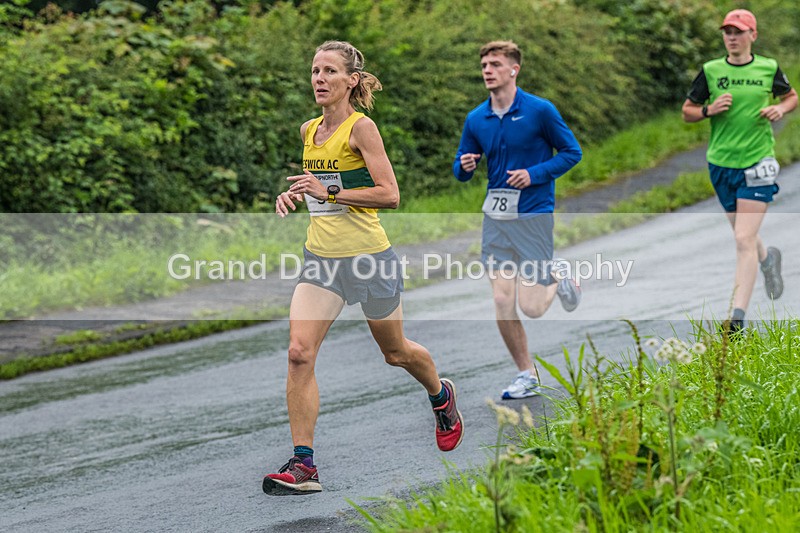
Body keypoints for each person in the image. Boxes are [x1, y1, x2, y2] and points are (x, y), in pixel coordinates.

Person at [263, 41, 464, 496]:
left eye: (329, 71)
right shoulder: (307, 130)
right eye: (315, 70)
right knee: (299, 352)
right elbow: (323, 189)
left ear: (351, 81)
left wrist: (328, 194)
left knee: (395, 353)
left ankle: (440, 395)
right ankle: (304, 465)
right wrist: (296, 195)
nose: (319, 78)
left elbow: (389, 195)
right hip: (322, 261)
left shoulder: (362, 128)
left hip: (369, 258)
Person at [453, 41, 583, 400]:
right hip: (496, 219)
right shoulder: (476, 118)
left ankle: (559, 278)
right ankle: (526, 373)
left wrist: (535, 174)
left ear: (514, 70)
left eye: (495, 64)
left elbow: (572, 152)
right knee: (501, 299)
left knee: (532, 307)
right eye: (483, 65)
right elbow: (460, 166)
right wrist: (464, 167)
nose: (487, 70)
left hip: (533, 215)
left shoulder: (540, 110)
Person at [682, 9, 797, 333]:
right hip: (721, 163)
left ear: (753, 36)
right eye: (727, 32)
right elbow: (687, 112)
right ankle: (768, 261)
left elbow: (791, 97)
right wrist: (708, 109)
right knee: (743, 235)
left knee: (743, 238)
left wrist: (779, 107)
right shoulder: (711, 71)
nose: (732, 37)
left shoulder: (768, 68)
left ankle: (736, 318)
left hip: (758, 161)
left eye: (739, 32)